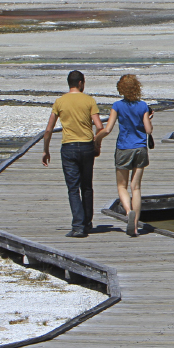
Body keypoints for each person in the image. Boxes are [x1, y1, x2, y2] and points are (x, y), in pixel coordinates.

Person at [41, 70, 104, 238]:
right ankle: (87, 222)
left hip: (68, 147)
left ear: (69, 83)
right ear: (81, 83)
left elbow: (48, 130)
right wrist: (97, 144)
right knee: (87, 186)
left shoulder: (60, 101)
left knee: (73, 188)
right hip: (86, 146)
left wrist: (46, 150)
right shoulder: (89, 100)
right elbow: (99, 126)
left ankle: (78, 226)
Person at [97, 74, 153, 236]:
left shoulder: (117, 106)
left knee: (121, 186)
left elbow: (108, 129)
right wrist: (149, 119)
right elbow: (148, 130)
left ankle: (128, 212)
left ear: (121, 89)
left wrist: (96, 139)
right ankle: (135, 227)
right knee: (136, 187)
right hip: (140, 148)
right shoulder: (143, 106)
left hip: (123, 148)